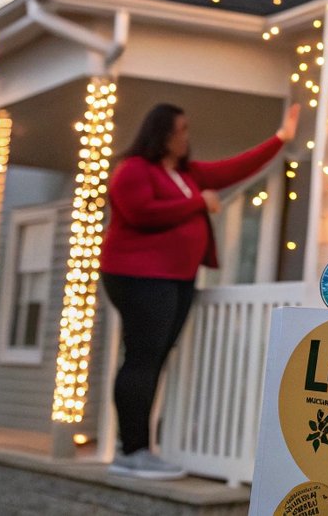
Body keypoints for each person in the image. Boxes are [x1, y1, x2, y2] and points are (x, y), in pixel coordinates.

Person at [101, 101, 300, 480]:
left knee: (154, 358)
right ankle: (132, 450)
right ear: (162, 133)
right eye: (182, 129)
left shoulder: (185, 173)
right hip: (139, 276)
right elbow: (140, 212)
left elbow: (232, 169)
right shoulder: (134, 171)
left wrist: (280, 139)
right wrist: (197, 203)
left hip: (175, 278)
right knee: (142, 358)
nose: (186, 137)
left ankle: (141, 447)